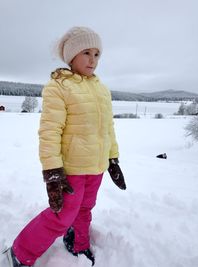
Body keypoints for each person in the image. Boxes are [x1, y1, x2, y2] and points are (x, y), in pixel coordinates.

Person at [4, 26, 126, 267]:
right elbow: (50, 132)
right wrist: (52, 173)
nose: (93, 60)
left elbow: (108, 128)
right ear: (71, 55)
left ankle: (78, 243)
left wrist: (113, 159)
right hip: (70, 169)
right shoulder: (59, 86)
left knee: (85, 208)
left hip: (96, 166)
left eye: (97, 54)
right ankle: (18, 254)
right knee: (61, 216)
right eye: (86, 53)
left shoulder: (101, 89)